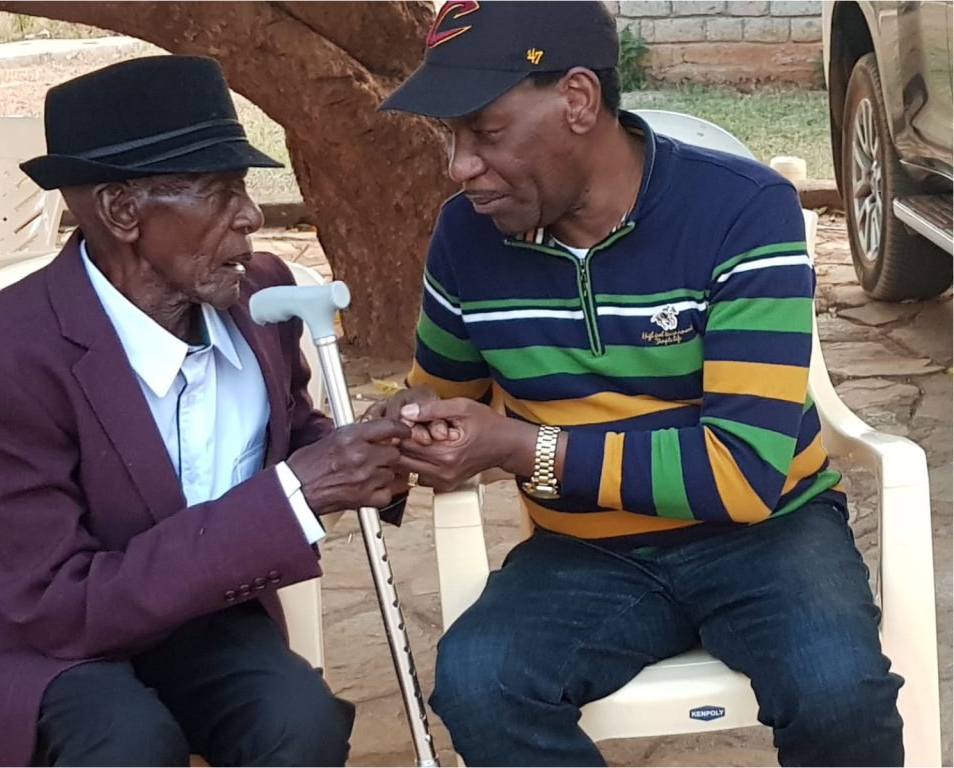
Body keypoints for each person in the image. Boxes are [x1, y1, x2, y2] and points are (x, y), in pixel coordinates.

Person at [374, 2, 904, 765]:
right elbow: (443, 390)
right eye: (449, 138)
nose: (460, 166)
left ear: (579, 100)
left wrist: (528, 449)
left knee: (839, 693)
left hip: (768, 538)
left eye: (485, 132)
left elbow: (743, 474)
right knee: (481, 683)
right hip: (586, 551)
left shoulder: (743, 211)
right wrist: (402, 429)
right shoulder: (467, 235)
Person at [0, 55, 412, 768]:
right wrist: (298, 491)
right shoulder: (4, 360)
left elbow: (288, 434)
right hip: (33, 634)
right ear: (124, 211)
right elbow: (62, 604)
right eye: (221, 192)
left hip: (192, 616)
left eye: (244, 188)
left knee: (297, 720)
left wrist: (375, 446)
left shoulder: (259, 297)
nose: (251, 216)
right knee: (125, 740)